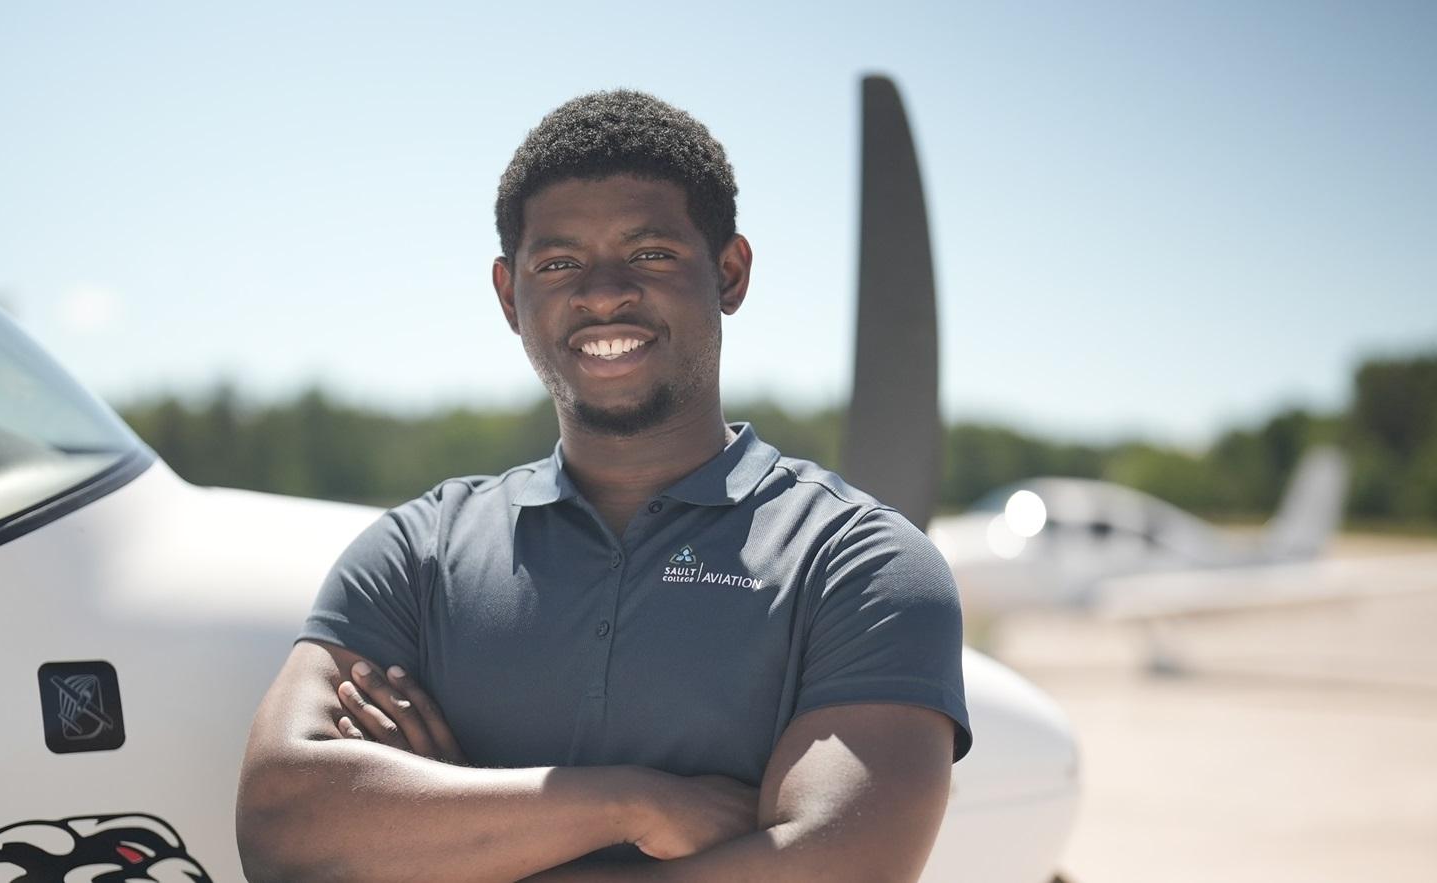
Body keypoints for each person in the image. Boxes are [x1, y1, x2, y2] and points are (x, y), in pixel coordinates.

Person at [236, 90, 971, 882]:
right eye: (558, 264)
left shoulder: (859, 562)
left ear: (729, 272)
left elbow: (837, 869)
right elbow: (282, 826)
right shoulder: (416, 553)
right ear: (509, 295)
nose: (601, 291)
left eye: (650, 253)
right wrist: (629, 802)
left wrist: (451, 840)